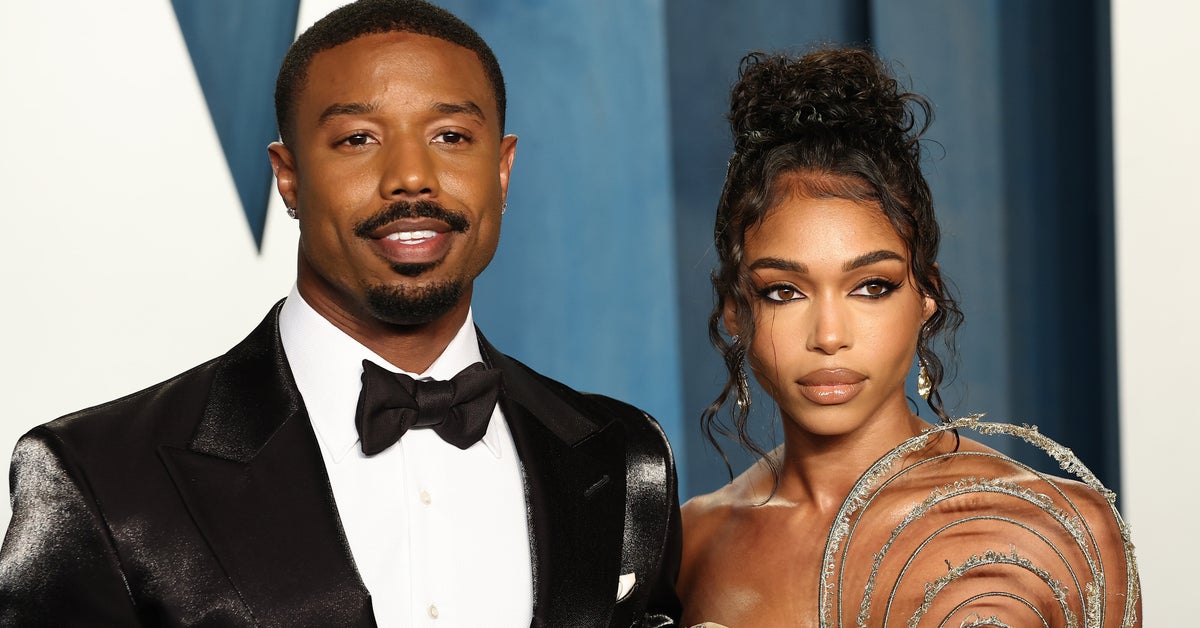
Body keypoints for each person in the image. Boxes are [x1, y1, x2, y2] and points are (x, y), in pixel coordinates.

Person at [0, 1, 681, 625]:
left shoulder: (626, 456)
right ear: (289, 176)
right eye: (358, 139)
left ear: (501, 170)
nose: (411, 177)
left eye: (450, 135)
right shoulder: (98, 475)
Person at [677, 48, 1139, 626]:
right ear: (734, 310)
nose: (829, 336)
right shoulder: (692, 546)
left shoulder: (1059, 526)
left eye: (871, 286)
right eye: (784, 291)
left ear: (925, 295)